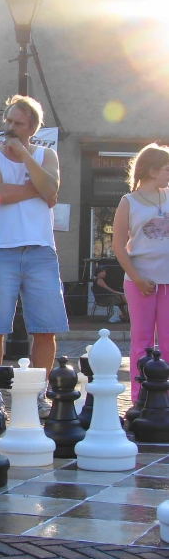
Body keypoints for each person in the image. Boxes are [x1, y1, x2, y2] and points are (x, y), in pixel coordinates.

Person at [0, 94, 68, 419]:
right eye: (9, 122)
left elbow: (52, 184)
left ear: (32, 128)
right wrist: (40, 190)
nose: (11, 128)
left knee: (46, 328)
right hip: (0, 250)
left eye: (19, 124)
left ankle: (36, 396)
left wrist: (27, 158)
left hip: (41, 250)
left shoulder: (47, 155)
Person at [112, 143, 169, 403]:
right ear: (153, 170)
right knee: (142, 341)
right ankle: (140, 398)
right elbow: (118, 245)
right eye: (167, 168)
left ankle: (165, 397)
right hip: (139, 281)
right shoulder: (128, 202)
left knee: (168, 342)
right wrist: (136, 278)